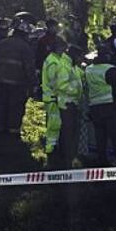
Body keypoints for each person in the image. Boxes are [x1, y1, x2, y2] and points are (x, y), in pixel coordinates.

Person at [84, 46, 116, 167]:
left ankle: (102, 163)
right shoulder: (109, 69)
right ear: (106, 56)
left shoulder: (88, 69)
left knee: (100, 138)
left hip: (94, 107)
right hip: (109, 107)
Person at [41, 36, 82, 169]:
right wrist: (75, 91)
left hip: (60, 100)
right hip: (58, 100)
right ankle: (52, 155)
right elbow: (58, 84)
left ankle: (54, 153)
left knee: (58, 128)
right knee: (56, 128)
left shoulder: (62, 62)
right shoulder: (55, 62)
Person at [0, 21, 35, 135]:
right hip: (18, 83)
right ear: (24, 34)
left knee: (2, 105)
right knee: (15, 108)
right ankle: (13, 132)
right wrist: (33, 83)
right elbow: (29, 68)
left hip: (1, 81)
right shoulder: (25, 47)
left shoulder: (1, 43)